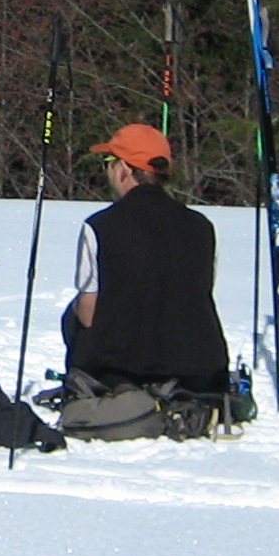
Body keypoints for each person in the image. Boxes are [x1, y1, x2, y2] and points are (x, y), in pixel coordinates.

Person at [60, 123, 230, 397]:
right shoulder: (202, 226)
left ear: (124, 169)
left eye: (109, 162)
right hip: (197, 366)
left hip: (122, 368)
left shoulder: (100, 226)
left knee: (74, 313)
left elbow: (88, 314)